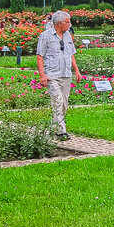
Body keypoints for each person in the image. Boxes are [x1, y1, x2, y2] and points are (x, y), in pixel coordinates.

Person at [36, 10, 82, 140]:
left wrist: (77, 70)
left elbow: (71, 54)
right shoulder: (45, 36)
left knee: (64, 104)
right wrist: (42, 75)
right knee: (57, 101)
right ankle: (61, 131)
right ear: (59, 23)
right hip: (52, 75)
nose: (70, 24)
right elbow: (40, 56)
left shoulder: (68, 35)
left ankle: (54, 127)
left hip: (66, 74)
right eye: (67, 22)